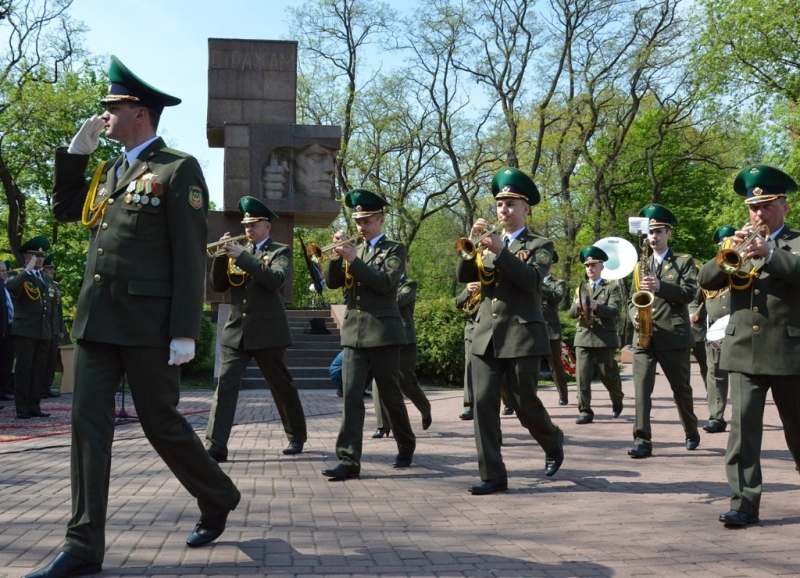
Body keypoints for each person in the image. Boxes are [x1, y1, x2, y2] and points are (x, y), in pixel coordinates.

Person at [25, 56, 241, 578]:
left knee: (161, 424)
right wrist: (74, 157)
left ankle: (218, 494)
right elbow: (63, 208)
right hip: (98, 323)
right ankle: (82, 546)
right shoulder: (109, 170)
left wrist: (185, 331)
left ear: (139, 113)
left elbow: (190, 255)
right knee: (87, 426)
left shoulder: (176, 168)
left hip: (147, 326)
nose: (104, 116)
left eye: (111, 107)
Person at [698, 164, 800, 527]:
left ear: (784, 207)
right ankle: (744, 504)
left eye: (767, 206)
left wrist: (771, 255)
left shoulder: (795, 243)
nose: (759, 214)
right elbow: (705, 280)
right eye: (754, 208)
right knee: (742, 434)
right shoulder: (733, 245)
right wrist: (729, 252)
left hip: (789, 352)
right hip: (742, 350)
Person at [457, 167, 564, 495]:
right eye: (500, 204)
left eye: (511, 204)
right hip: (485, 334)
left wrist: (501, 251)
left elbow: (532, 281)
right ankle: (493, 474)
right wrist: (473, 246)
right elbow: (464, 275)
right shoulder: (486, 241)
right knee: (483, 404)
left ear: (526, 208)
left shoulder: (540, 244)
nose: (504, 210)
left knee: (523, 403)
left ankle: (552, 440)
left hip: (521, 334)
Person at [321, 189, 416, 479]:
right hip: (354, 333)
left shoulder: (394, 249)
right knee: (350, 397)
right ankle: (348, 461)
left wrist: (354, 261)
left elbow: (385, 283)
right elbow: (333, 282)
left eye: (367, 221)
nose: (361, 227)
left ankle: (406, 442)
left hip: (384, 333)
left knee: (390, 396)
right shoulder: (355, 248)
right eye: (358, 221)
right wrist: (337, 258)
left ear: (381, 220)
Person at [205, 196, 308, 461]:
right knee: (225, 387)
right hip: (236, 330)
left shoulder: (280, 251)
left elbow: (275, 280)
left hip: (268, 331)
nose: (248, 229)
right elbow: (218, 286)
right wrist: (220, 256)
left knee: (280, 386)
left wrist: (243, 258)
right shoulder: (240, 250)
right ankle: (216, 446)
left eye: (254, 225)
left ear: (267, 226)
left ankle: (296, 436)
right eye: (246, 224)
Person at [627, 204, 700, 458]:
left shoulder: (684, 261)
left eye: (659, 231)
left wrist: (661, 286)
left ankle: (691, 429)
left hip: (673, 334)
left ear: (669, 233)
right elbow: (630, 301)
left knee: (681, 389)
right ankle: (642, 440)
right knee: (641, 391)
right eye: (650, 232)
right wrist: (633, 316)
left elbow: (690, 292)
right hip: (644, 337)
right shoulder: (639, 266)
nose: (654, 237)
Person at [568, 246, 625, 424]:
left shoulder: (611, 288)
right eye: (587, 266)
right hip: (583, 337)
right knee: (582, 377)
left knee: (607, 376)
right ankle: (585, 411)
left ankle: (617, 398)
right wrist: (577, 306)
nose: (590, 269)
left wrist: (596, 306)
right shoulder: (581, 289)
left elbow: (614, 310)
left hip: (603, 339)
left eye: (594, 265)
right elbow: (571, 315)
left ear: (602, 266)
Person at [372, 272, 432, 437]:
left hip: (405, 339)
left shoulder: (409, 284)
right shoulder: (379, 282)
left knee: (407, 382)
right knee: (379, 379)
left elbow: (397, 301)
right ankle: (383, 425)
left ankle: (425, 408)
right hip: (383, 336)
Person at [7, 236, 53, 420]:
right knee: (24, 370)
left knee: (38, 370)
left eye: (42, 256)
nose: (40, 259)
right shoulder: (17, 275)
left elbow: (50, 308)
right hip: (25, 330)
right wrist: (26, 270)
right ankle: (22, 408)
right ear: (27, 257)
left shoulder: (45, 279)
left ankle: (35, 406)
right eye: (36, 255)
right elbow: (11, 286)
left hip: (43, 331)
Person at [697, 226, 734, 434]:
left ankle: (740, 415)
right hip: (714, 330)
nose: (725, 245)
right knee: (715, 374)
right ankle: (716, 417)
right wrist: (694, 314)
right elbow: (696, 299)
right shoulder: (711, 271)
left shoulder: (743, 266)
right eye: (722, 243)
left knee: (739, 375)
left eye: (728, 240)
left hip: (737, 327)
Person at [541, 251, 570, 405]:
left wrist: (539, 284)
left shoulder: (559, 283)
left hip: (550, 330)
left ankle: (563, 395)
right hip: (532, 330)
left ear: (552, 265)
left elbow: (557, 297)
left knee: (555, 366)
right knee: (529, 367)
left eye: (547, 263)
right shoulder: (529, 281)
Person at [40, 254, 65, 399]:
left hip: (54, 329)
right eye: (50, 269)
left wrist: (61, 329)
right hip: (45, 328)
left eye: (52, 269)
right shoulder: (43, 284)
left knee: (51, 360)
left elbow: (59, 310)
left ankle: (47, 386)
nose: (52, 271)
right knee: (43, 360)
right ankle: (40, 387)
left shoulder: (54, 286)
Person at [455, 281, 480, 420]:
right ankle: (469, 406)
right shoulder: (474, 281)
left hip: (493, 331)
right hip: (472, 331)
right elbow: (458, 303)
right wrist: (467, 291)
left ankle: (509, 402)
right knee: (469, 368)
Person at [0, 260, 15, 402]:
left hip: (9, 328)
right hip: (2, 329)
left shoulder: (6, 287)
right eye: (2, 271)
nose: (5, 273)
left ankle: (3, 391)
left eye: (5, 271)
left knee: (6, 362)